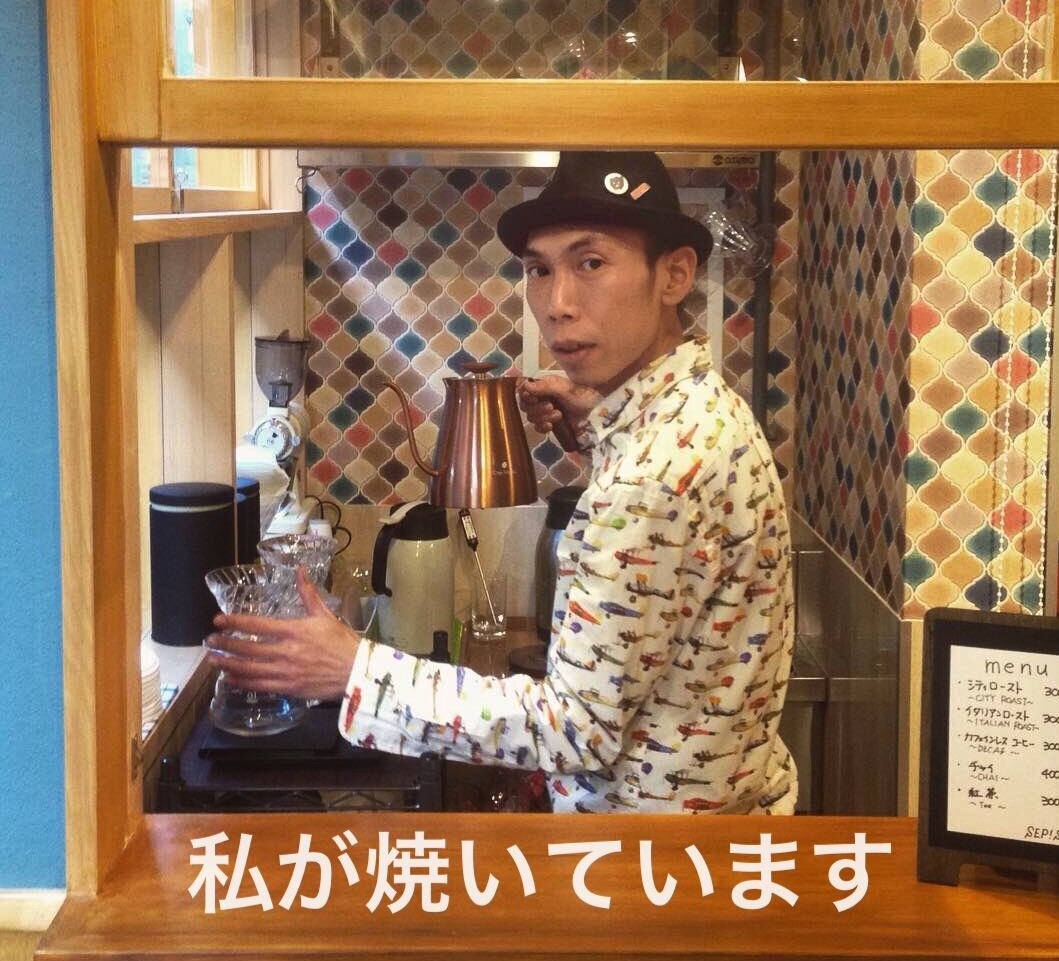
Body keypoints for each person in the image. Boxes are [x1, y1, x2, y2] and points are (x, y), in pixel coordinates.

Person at [208, 150, 797, 814]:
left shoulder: (649, 477)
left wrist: (352, 669)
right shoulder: (703, 410)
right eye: (539, 270)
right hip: (725, 824)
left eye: (591, 263)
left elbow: (575, 729)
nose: (558, 304)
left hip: (649, 860)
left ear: (675, 275)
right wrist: (596, 425)